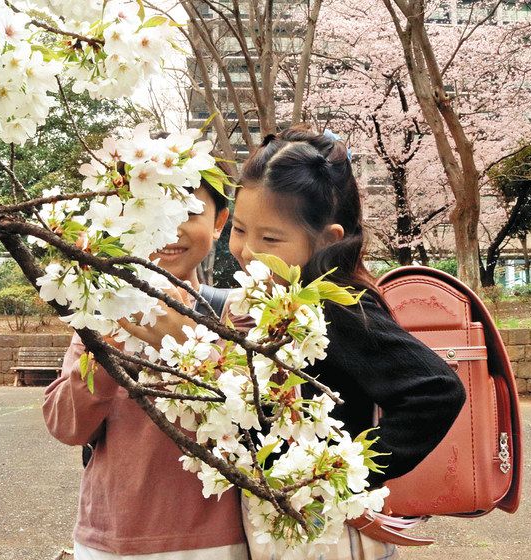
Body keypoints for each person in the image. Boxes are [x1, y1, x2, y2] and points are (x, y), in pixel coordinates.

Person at [227, 126, 467, 559]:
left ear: (327, 239)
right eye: (240, 230)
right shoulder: (280, 298)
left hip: (327, 532)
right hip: (285, 520)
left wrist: (349, 473)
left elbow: (436, 389)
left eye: (270, 239)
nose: (246, 250)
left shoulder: (334, 307)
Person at [42, 180, 249, 560]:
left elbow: (256, 414)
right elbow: (66, 425)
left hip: (214, 542)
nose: (168, 227)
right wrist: (108, 346)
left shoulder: (236, 314)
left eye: (188, 210)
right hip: (108, 537)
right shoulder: (100, 315)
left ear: (220, 222)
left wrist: (186, 341)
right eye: (150, 208)